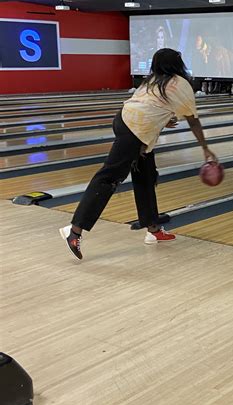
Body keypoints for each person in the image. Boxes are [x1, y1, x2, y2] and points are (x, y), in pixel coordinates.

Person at [60, 49, 217, 260]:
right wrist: (205, 148)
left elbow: (150, 106)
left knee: (146, 176)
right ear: (177, 64)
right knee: (109, 177)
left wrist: (164, 119)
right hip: (136, 130)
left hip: (126, 121)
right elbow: (193, 120)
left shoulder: (152, 81)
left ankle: (153, 230)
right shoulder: (180, 83)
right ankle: (74, 230)